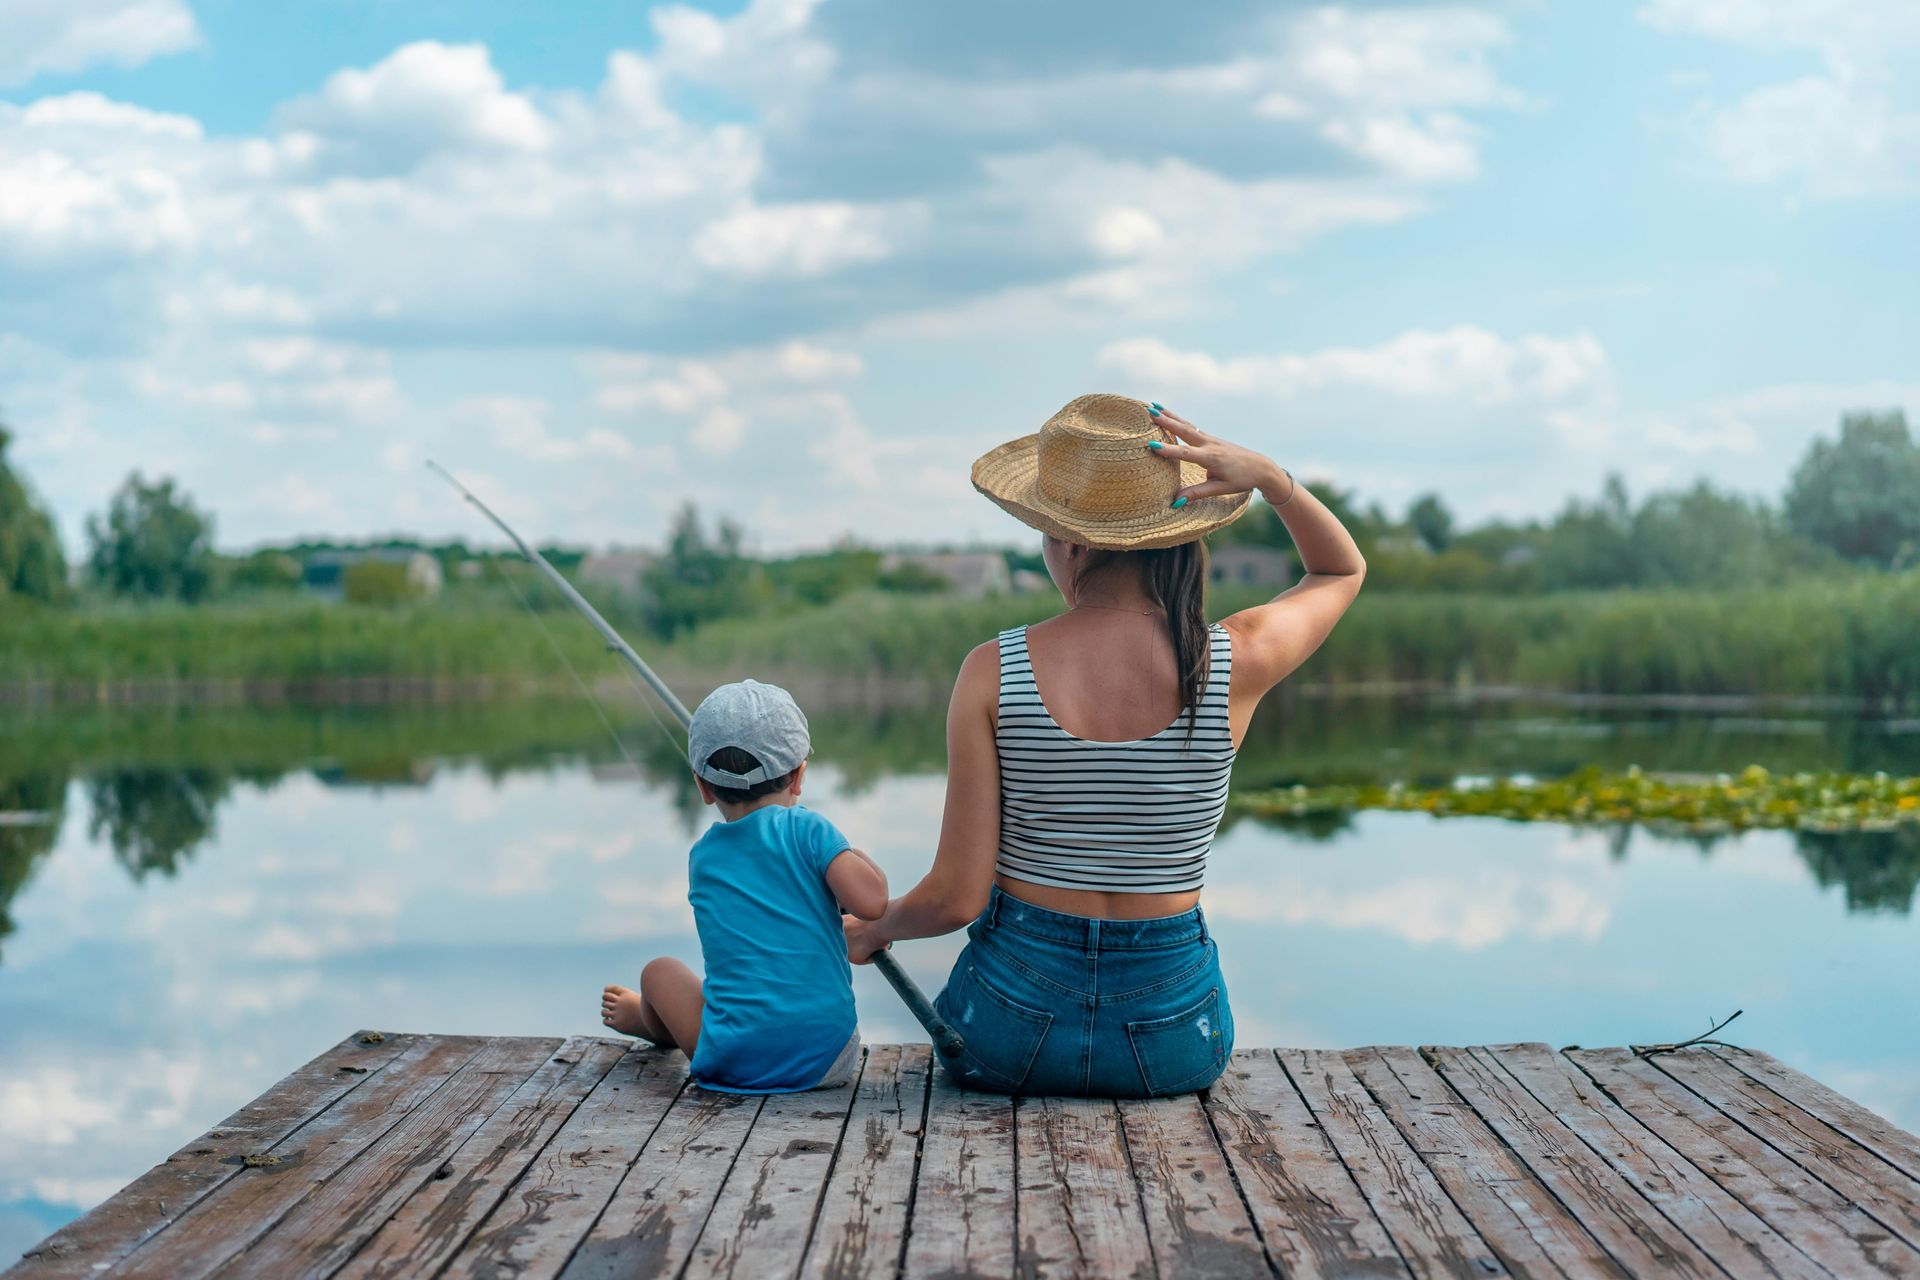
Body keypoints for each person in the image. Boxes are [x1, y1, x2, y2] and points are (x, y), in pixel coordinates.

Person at [844, 394, 1365, 1096]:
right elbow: (1339, 570)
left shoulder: (994, 669)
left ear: (1071, 542)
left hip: (1005, 1033)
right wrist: (1272, 479)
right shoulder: (1235, 660)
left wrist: (878, 928)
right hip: (1176, 1040)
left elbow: (955, 898)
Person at [602, 679, 890, 1093]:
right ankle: (659, 1025)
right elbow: (874, 902)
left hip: (731, 1061)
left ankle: (653, 1026)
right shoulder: (810, 831)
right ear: (798, 777)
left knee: (658, 972)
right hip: (828, 1059)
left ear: (702, 787)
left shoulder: (703, 857)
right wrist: (845, 850)